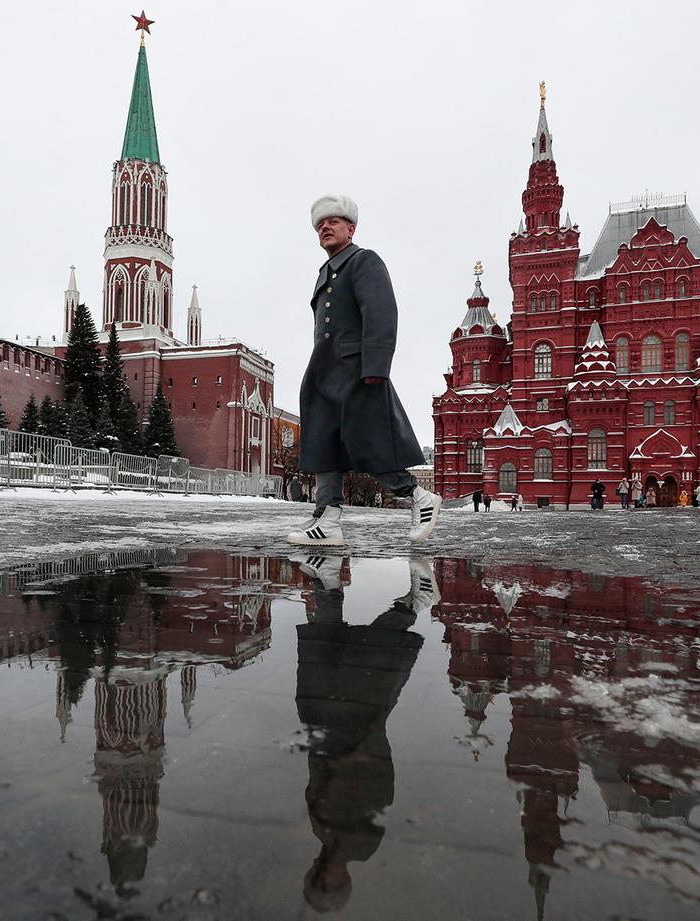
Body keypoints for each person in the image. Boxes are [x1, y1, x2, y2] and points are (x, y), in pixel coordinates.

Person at [288, 196, 441, 547]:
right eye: (320, 225)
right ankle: (327, 519)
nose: (325, 228)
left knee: (367, 441)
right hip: (324, 372)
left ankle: (419, 497)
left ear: (351, 229)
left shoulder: (363, 261)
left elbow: (381, 312)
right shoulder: (325, 272)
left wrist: (376, 365)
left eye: (334, 222)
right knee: (323, 443)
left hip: (355, 369)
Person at [294, 556, 424, 914]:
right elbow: (382, 793)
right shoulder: (364, 847)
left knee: (324, 648)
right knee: (371, 657)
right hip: (357, 732)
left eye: (315, 881)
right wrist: (364, 751)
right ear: (343, 881)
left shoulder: (319, 832)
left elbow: (316, 780)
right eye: (328, 885)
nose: (322, 876)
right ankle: (413, 603)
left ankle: (327, 589)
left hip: (322, 727)